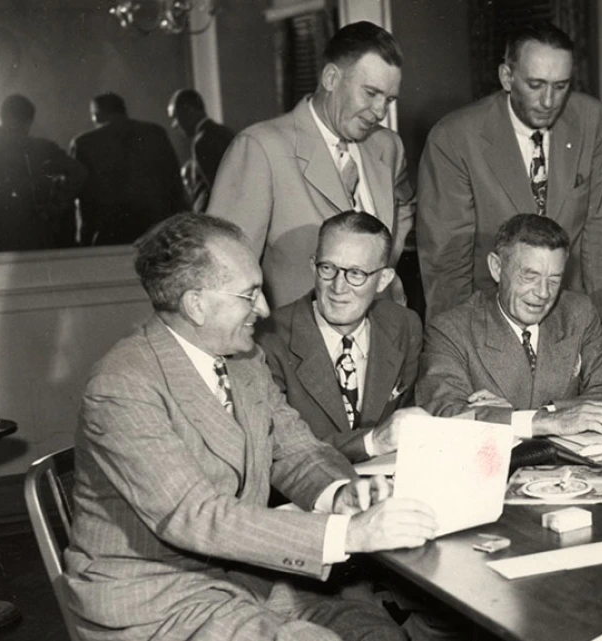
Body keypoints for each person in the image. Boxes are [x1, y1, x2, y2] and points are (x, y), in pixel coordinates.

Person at [64, 213, 437, 641]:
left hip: (240, 581)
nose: (263, 309)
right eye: (250, 294)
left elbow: (294, 448)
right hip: (153, 598)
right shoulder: (122, 385)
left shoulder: (243, 361)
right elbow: (196, 516)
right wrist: (351, 532)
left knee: (378, 631)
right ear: (195, 304)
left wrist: (341, 494)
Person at [417, 21, 602, 330]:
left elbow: (599, 235)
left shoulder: (590, 118)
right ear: (507, 77)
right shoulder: (454, 137)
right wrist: (455, 346)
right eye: (536, 85)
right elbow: (447, 264)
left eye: (561, 86)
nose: (549, 101)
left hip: (568, 317)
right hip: (489, 319)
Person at [210, 21, 415, 310]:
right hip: (297, 343)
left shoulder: (388, 146)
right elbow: (222, 268)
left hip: (381, 335)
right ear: (331, 78)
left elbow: (405, 209)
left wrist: (380, 269)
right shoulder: (261, 147)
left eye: (389, 99)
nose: (380, 112)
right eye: (370, 93)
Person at [417, 214, 602, 436]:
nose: (543, 293)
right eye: (530, 277)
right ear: (496, 268)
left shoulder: (578, 312)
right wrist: (542, 421)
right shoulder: (451, 329)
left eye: (554, 280)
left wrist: (543, 414)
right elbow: (443, 415)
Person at [259, 211, 422, 463]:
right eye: (328, 268)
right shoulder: (269, 339)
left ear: (383, 280)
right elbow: (276, 446)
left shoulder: (404, 325)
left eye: (356, 273)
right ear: (313, 267)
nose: (338, 287)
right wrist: (372, 442)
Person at [69, 92, 187, 245]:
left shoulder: (83, 143)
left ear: (96, 116)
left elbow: (85, 198)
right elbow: (174, 183)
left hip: (109, 231)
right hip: (156, 228)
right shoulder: (155, 133)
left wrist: (85, 239)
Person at [0, 94, 86, 251]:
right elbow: (79, 173)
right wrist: (55, 205)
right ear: (29, 121)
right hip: (32, 230)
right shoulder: (42, 148)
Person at [167, 88, 235, 213]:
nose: (174, 125)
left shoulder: (202, 141)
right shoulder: (223, 131)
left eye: (175, 117)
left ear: (189, 110)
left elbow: (217, 190)